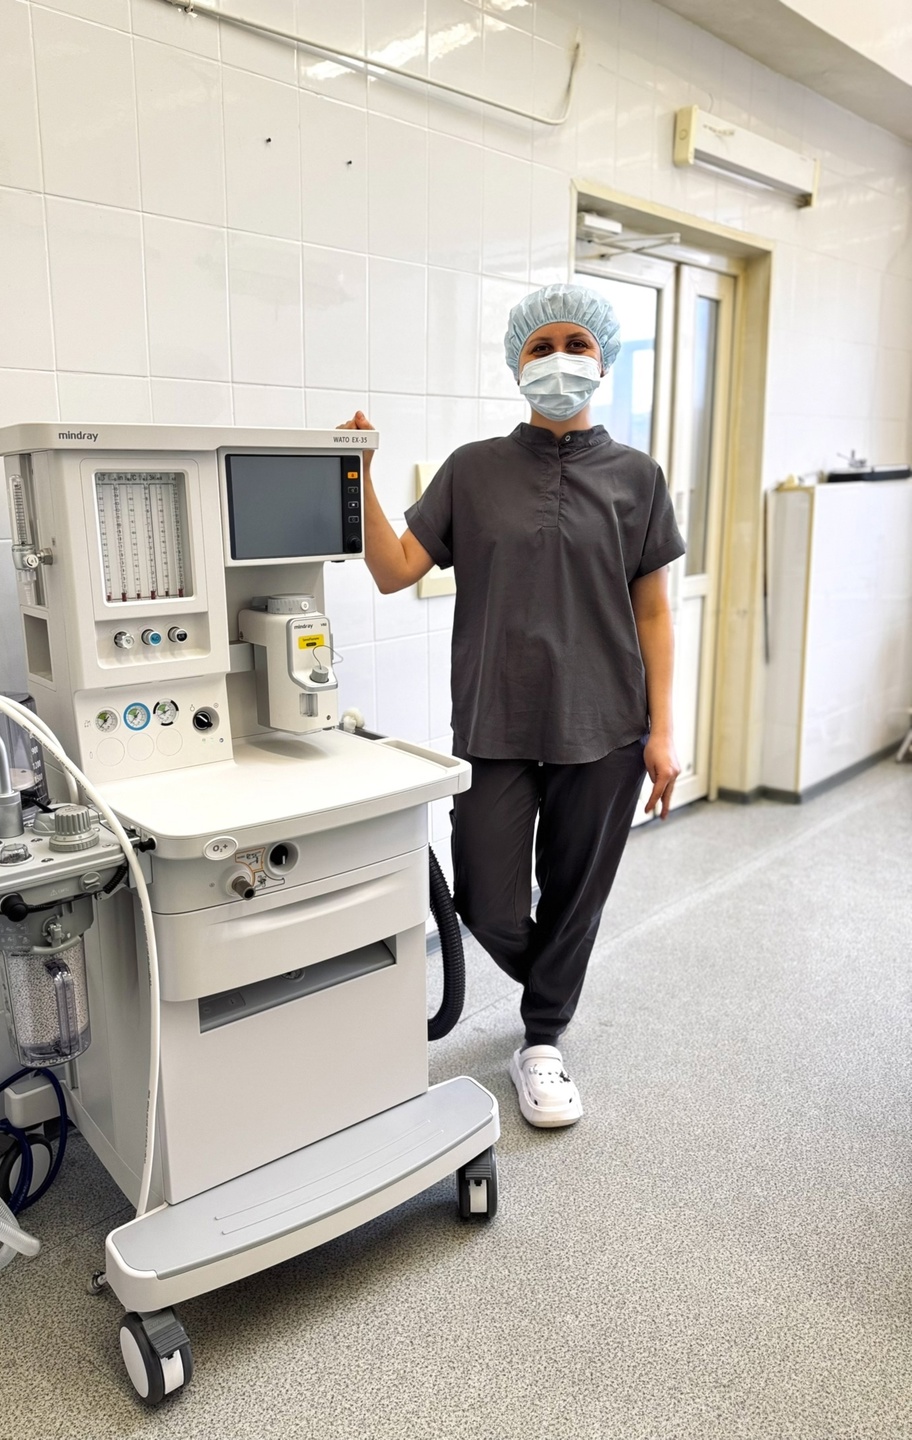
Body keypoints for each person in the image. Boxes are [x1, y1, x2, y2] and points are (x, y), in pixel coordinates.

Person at [339, 282, 684, 1129]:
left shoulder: (638, 478)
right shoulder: (472, 470)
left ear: (603, 359)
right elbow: (392, 571)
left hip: (606, 724)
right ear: (515, 362)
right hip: (496, 719)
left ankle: (542, 1042)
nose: (559, 359)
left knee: (574, 893)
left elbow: (653, 613)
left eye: (576, 344)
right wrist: (358, 475)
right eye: (541, 346)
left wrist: (664, 731)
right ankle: (555, 984)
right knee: (487, 903)